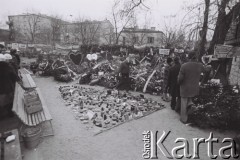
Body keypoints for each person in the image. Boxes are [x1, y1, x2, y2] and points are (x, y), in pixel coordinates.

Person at [178, 51, 204, 123]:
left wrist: (179, 83)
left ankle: (183, 119)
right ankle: (191, 105)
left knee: (184, 102)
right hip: (194, 87)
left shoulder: (184, 66)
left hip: (185, 87)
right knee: (190, 98)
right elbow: (206, 71)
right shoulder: (200, 65)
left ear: (188, 57)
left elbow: (180, 78)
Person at [0, 54, 26, 118]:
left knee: (2, 103)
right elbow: (15, 77)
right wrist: (21, 83)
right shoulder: (8, 67)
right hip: (8, 88)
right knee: (9, 102)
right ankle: (10, 114)